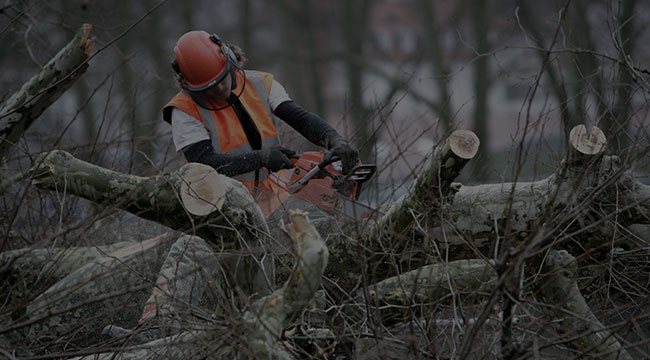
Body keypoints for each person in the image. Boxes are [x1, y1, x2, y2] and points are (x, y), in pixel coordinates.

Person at [163, 30, 358, 217]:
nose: (221, 88)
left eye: (223, 79)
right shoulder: (183, 110)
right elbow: (205, 163)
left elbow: (300, 118)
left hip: (273, 197)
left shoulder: (260, 83)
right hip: (222, 208)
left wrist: (334, 139)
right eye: (212, 88)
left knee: (319, 217)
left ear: (229, 59)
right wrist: (262, 158)